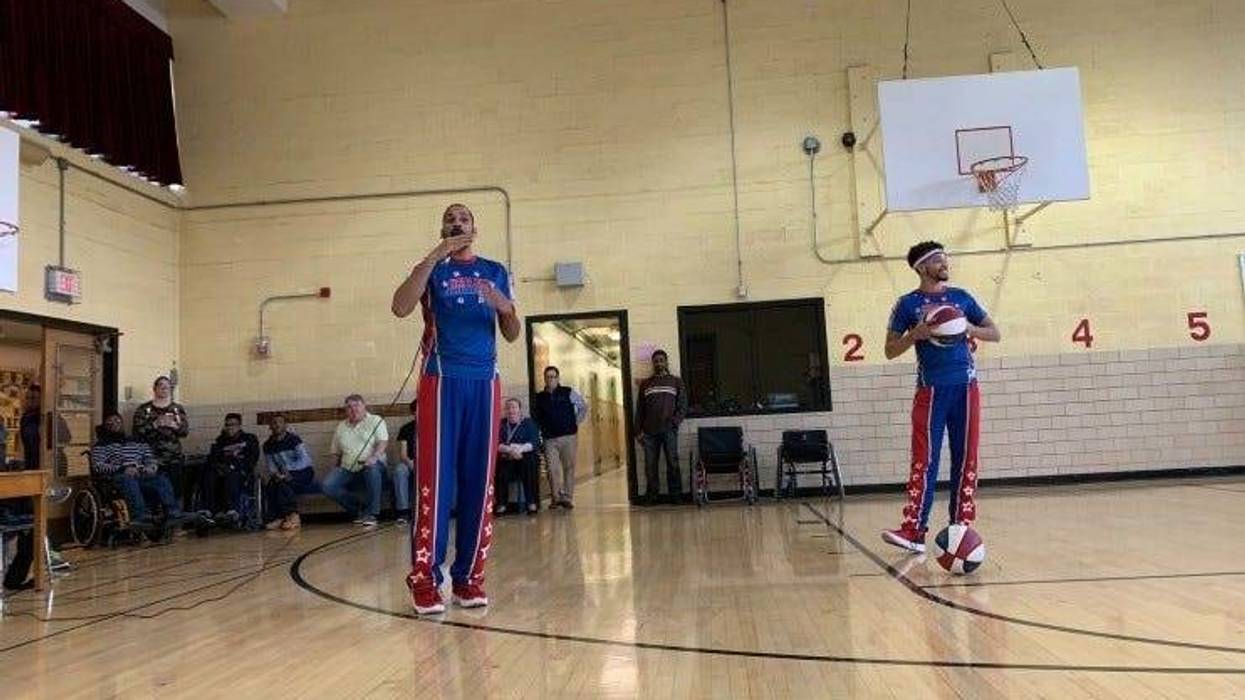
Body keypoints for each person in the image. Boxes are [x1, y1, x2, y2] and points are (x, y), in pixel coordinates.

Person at [391, 202, 520, 614]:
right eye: (450, 218)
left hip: (485, 384)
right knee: (435, 479)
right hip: (442, 381)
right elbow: (399, 306)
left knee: (478, 483)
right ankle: (425, 579)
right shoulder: (434, 271)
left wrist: (504, 306)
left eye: (463, 218)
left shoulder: (496, 271)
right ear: (442, 228)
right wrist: (433, 256)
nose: (457, 222)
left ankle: (468, 578)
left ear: (475, 228)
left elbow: (513, 333)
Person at [881, 241, 1001, 553]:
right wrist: (913, 336)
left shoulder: (961, 298)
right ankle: (914, 531)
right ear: (921, 267)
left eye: (944, 258)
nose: (944, 263)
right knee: (925, 459)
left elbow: (994, 332)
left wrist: (968, 328)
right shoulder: (907, 305)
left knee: (965, 457)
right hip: (931, 390)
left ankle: (960, 528)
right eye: (937, 260)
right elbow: (890, 351)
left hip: (966, 387)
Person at [90, 412, 183, 526]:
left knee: (160, 478)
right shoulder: (101, 446)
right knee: (128, 480)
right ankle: (140, 515)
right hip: (118, 477)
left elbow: (149, 457)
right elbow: (98, 466)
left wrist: (151, 467)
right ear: (105, 426)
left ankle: (172, 512)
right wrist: (122, 469)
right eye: (111, 422)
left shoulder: (137, 442)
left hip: (141, 474)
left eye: (118, 421)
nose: (116, 424)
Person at [322, 394, 387, 528]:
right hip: (347, 468)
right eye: (349, 407)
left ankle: (372, 514)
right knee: (328, 485)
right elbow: (335, 452)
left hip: (373, 465)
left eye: (356, 405)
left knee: (372, 469)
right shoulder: (341, 426)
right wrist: (334, 471)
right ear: (346, 410)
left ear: (364, 406)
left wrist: (374, 458)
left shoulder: (376, 420)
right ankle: (358, 509)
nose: (353, 409)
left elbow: (383, 442)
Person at [531, 366, 588, 509]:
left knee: (569, 467)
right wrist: (540, 430)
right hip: (549, 439)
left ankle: (567, 498)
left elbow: (583, 407)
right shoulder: (539, 397)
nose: (550, 379)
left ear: (558, 378)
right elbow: (536, 417)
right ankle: (556, 498)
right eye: (547, 377)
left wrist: (575, 421)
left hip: (569, 437)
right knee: (552, 468)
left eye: (553, 376)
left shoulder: (568, 392)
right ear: (544, 379)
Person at [635, 349, 688, 503]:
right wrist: (638, 432)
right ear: (653, 363)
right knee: (650, 466)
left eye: (661, 360)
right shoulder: (646, 384)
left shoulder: (676, 381)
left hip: (669, 430)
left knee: (672, 463)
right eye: (656, 361)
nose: (658, 363)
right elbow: (640, 409)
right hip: (649, 432)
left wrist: (674, 423)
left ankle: (676, 496)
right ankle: (652, 496)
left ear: (666, 362)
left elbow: (683, 405)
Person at [132, 376, 190, 501]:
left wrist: (174, 426)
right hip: (151, 459)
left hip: (173, 458)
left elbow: (185, 432)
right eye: (161, 386)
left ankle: (175, 516)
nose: (164, 389)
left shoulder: (177, 409)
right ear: (155, 389)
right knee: (154, 491)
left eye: (167, 387)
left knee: (175, 492)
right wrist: (155, 424)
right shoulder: (144, 410)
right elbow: (136, 433)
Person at [261, 413, 318, 531]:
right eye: (274, 423)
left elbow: (305, 460)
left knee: (284, 482)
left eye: (279, 422)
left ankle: (293, 516)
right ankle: (278, 517)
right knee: (272, 485)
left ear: (285, 425)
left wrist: (290, 470)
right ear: (270, 427)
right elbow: (271, 466)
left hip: (303, 472)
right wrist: (275, 474)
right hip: (283, 473)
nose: (276, 425)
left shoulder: (293, 439)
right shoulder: (267, 445)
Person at [203, 413, 259, 524]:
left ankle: (231, 509)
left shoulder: (249, 439)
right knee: (208, 473)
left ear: (239, 425)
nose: (230, 427)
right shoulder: (220, 441)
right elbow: (213, 458)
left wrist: (238, 465)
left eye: (233, 424)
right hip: (221, 470)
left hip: (241, 470)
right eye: (227, 425)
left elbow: (253, 458)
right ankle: (209, 509)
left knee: (232, 473)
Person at [496, 398, 541, 516]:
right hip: (507, 458)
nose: (511, 410)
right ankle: (502, 504)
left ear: (520, 410)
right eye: (508, 408)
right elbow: (496, 443)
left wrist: (519, 450)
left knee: (530, 464)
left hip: (525, 457)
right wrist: (510, 450)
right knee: (501, 471)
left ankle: (531, 502)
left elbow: (534, 442)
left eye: (514, 407)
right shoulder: (501, 424)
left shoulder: (528, 423)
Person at [393, 400, 418, 524]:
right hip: (411, 462)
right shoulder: (406, 428)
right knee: (399, 470)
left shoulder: (437, 426)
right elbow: (403, 454)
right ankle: (403, 511)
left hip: (431, 463)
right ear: (414, 412)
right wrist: (410, 463)